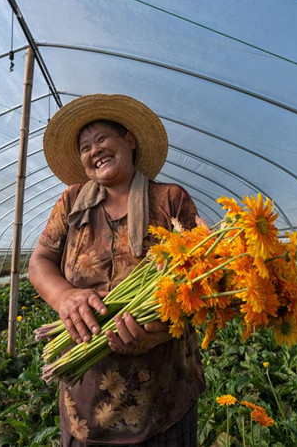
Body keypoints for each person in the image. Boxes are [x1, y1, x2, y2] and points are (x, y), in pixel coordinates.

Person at [29, 94, 205, 446]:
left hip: (161, 400)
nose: (94, 150)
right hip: (85, 404)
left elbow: (202, 280)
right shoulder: (71, 201)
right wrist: (65, 296)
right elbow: (39, 262)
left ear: (130, 140)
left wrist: (158, 329)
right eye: (85, 147)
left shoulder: (171, 199)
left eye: (102, 139)